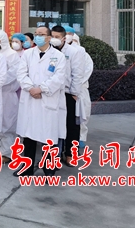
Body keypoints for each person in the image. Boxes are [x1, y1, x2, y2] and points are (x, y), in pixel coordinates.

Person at [15, 26, 66, 177]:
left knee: (48, 137)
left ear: (49, 38)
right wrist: (31, 88)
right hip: (30, 98)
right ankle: (27, 168)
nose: (38, 37)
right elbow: (21, 74)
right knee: (28, 136)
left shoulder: (58, 56)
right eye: (36, 34)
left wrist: (41, 89)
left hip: (47, 99)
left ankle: (49, 170)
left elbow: (59, 78)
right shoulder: (28, 54)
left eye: (41, 34)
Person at [51, 25, 85, 166]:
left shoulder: (73, 52)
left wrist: (74, 93)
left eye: (57, 37)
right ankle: (55, 154)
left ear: (64, 38)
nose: (54, 39)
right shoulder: (49, 50)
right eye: (52, 36)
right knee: (53, 124)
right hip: (51, 92)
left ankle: (70, 153)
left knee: (71, 125)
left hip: (68, 93)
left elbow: (77, 73)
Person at [0, 30, 21, 162]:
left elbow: (13, 74)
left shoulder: (12, 55)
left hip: (6, 93)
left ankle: (7, 152)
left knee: (7, 124)